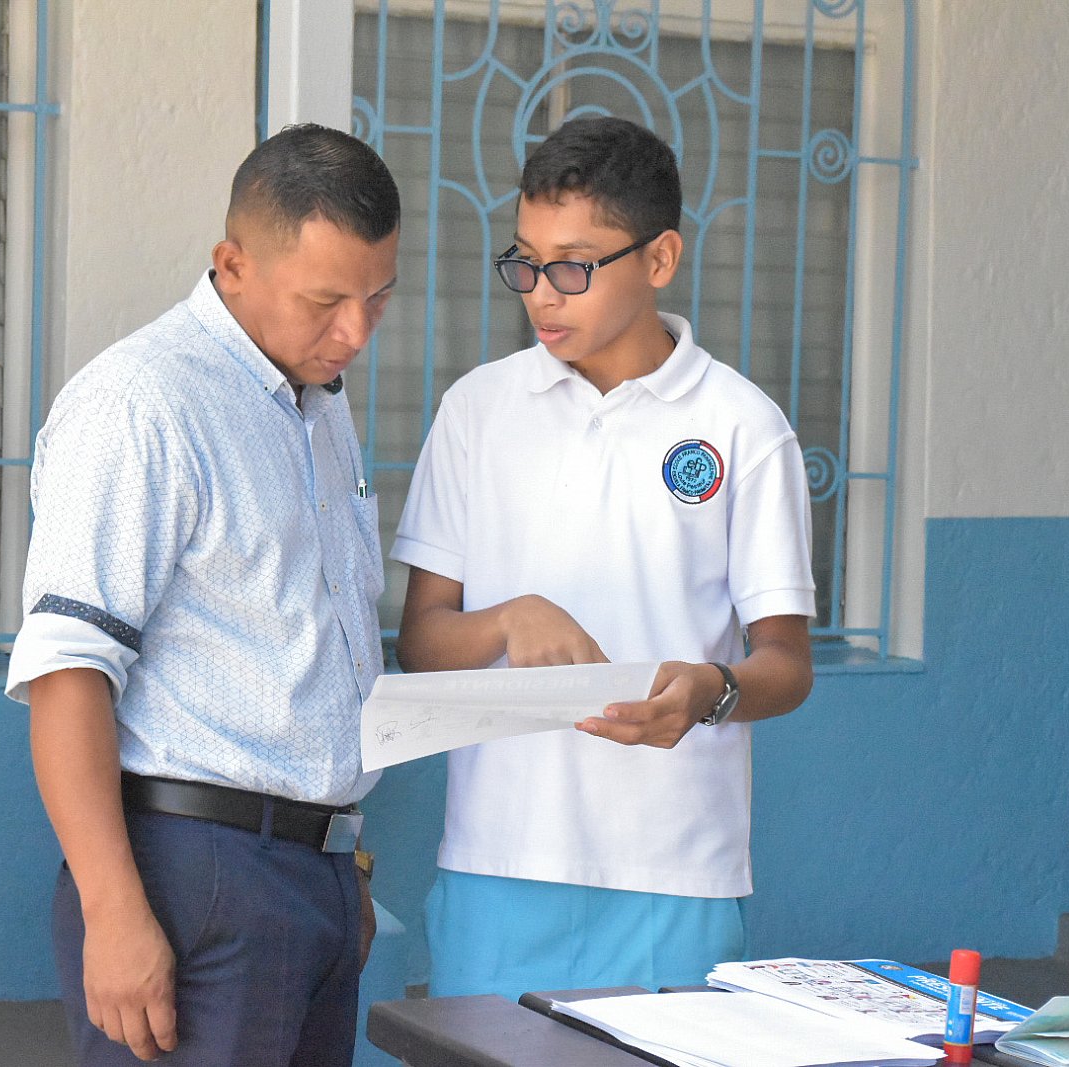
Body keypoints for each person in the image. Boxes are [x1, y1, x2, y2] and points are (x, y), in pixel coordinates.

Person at [391, 116, 816, 998]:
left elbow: (786, 662)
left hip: (676, 869)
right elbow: (422, 643)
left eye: (574, 266)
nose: (542, 295)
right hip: (498, 858)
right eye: (525, 263)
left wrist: (712, 689)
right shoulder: (477, 412)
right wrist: (508, 620)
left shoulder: (745, 427)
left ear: (660, 259)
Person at [5, 123, 398, 1066]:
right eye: (325, 301)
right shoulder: (143, 404)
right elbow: (67, 673)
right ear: (231, 264)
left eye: (378, 297)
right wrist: (114, 912)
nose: (355, 332)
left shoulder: (317, 402)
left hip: (313, 876)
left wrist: (342, 862)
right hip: (195, 879)